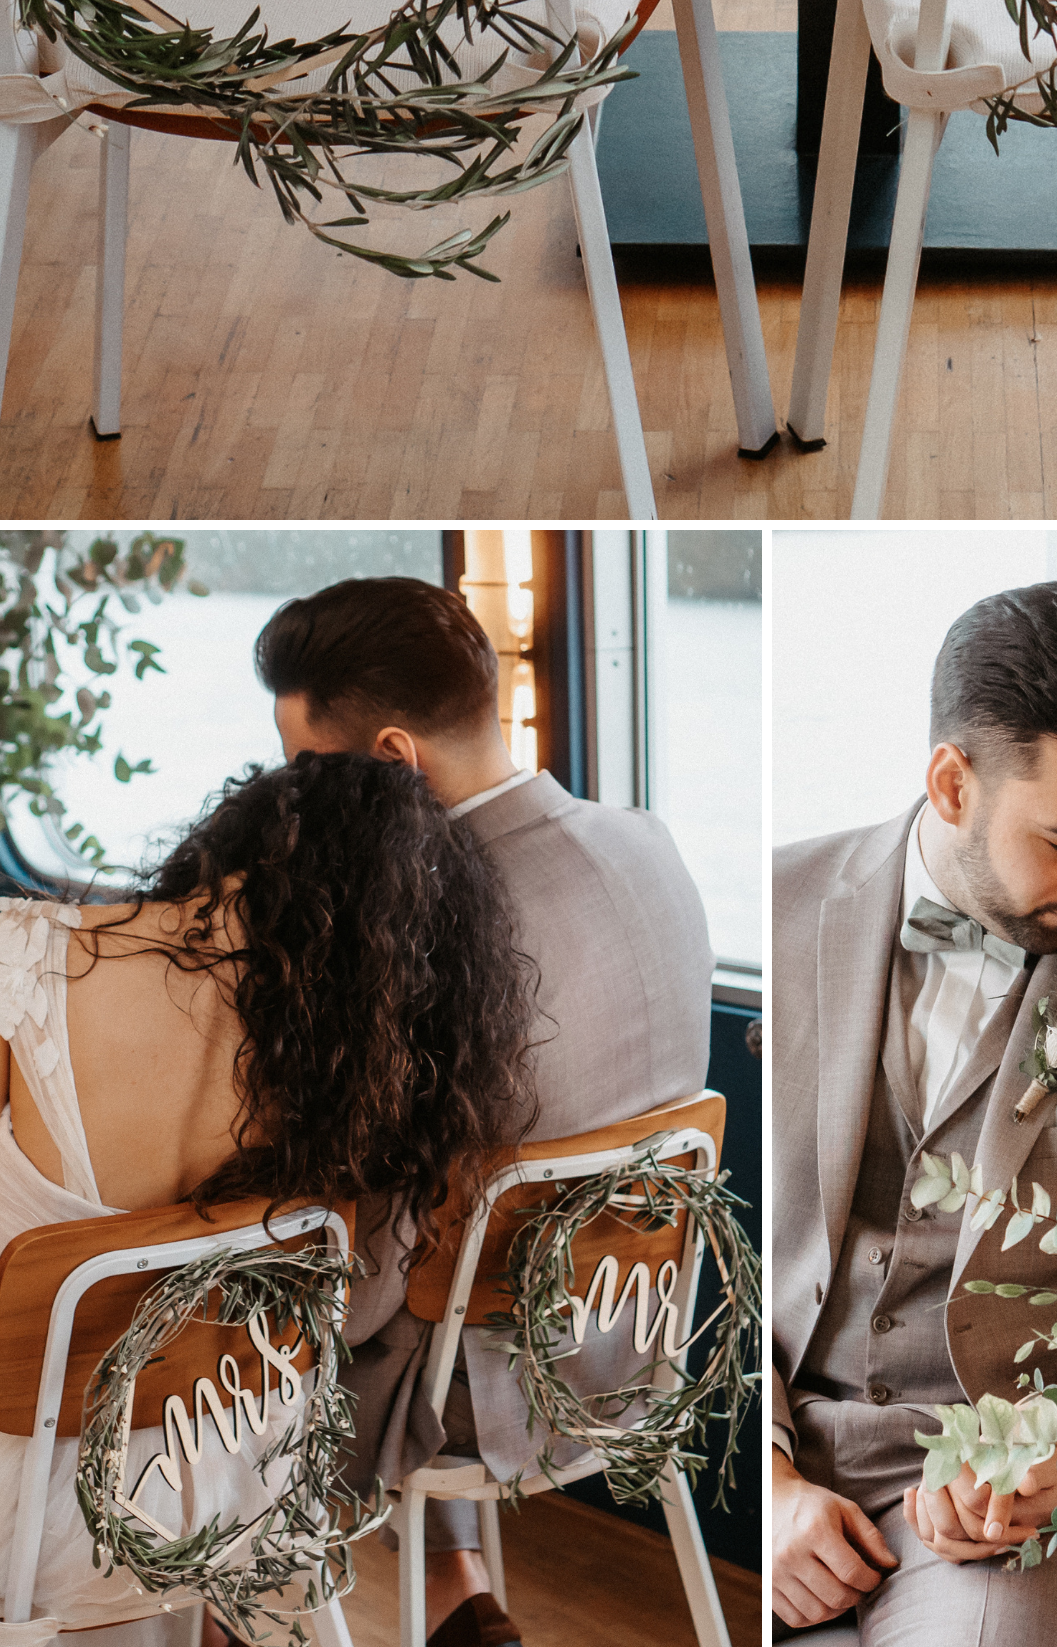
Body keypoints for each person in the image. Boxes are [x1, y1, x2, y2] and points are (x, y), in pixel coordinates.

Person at [0, 752, 533, 1642]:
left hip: (20, 1516)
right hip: (249, 1492)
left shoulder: (28, 955)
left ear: (236, 834)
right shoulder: (343, 1061)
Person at [254, 575, 715, 1647]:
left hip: (495, 1374)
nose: (298, 802)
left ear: (394, 762)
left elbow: (375, 1265)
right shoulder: (652, 841)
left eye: (308, 776)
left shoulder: (423, 940)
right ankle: (456, 1590)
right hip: (639, 1336)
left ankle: (241, 1620)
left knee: (226, 1363)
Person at [772, 580, 1057, 1646]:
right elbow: (720, 1244)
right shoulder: (784, 903)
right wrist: (772, 1478)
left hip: (1006, 1500)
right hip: (779, 1456)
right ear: (950, 782)